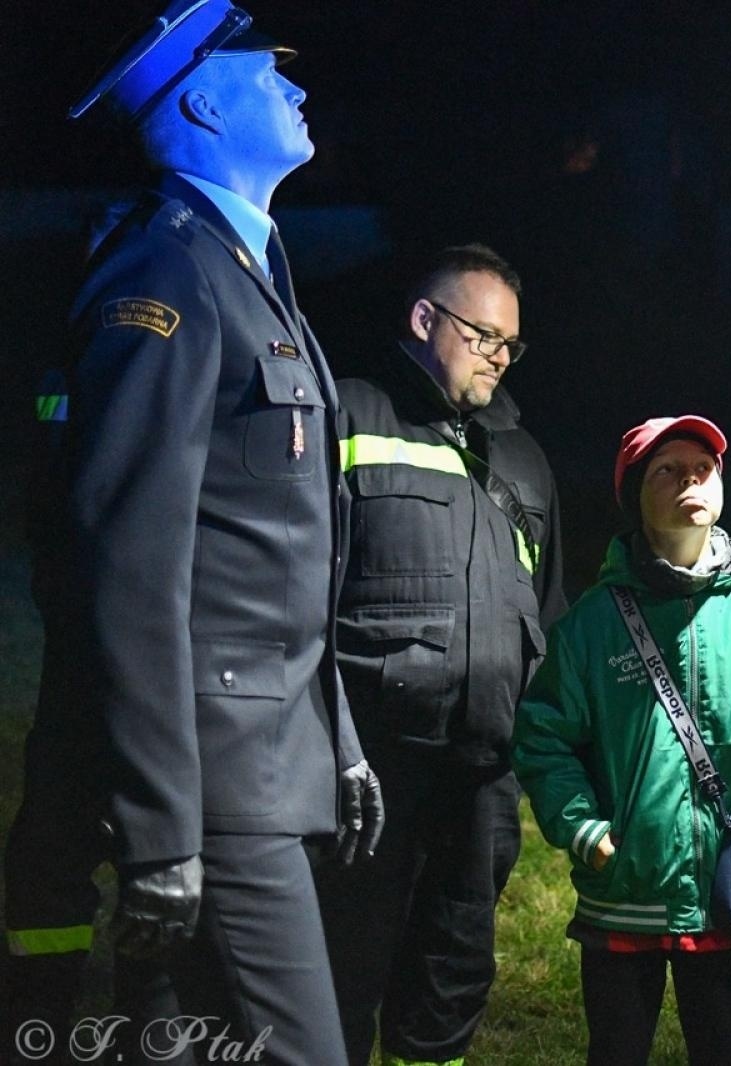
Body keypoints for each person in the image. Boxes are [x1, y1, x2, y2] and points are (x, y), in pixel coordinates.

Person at [1, 3, 382, 1062]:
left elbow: (282, 564)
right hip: (215, 779)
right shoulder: (164, 275)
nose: (299, 90)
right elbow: (129, 569)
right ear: (207, 102)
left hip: (261, 761)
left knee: (179, 1040)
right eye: (273, 76)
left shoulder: (246, 269)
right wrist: (164, 831)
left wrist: (336, 743)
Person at [512, 415, 731, 1066]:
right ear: (634, 496)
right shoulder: (591, 627)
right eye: (667, 469)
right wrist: (579, 824)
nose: (691, 478)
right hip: (622, 890)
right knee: (616, 1049)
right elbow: (543, 734)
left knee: (719, 1045)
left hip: (727, 887)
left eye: (703, 466)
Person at [317, 244, 566, 1066]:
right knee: (344, 969)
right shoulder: (346, 416)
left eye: (511, 344)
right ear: (425, 321)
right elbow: (294, 598)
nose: (499, 356)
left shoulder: (522, 456)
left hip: (482, 781)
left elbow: (549, 610)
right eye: (483, 334)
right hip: (369, 776)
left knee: (453, 972)